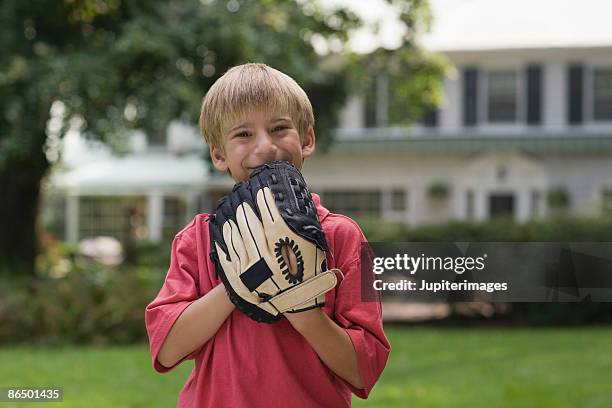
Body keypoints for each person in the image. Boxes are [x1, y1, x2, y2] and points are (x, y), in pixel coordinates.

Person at [145, 63, 390, 407]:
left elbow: (363, 372)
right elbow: (167, 350)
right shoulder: (198, 239)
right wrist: (238, 284)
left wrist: (298, 301)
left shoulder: (341, 235)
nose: (265, 145)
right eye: (243, 135)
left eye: (279, 128)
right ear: (219, 154)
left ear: (306, 140)